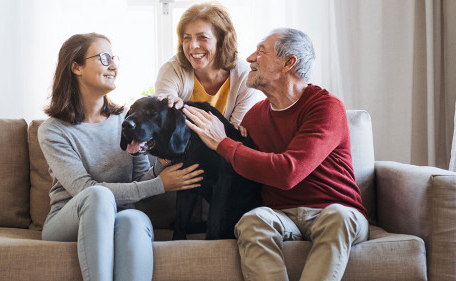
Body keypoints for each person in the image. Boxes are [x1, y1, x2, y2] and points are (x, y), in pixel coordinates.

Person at [183, 27, 369, 281]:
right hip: (282, 216)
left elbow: (288, 172)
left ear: (288, 62)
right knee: (253, 221)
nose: (249, 58)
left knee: (338, 217)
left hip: (334, 211)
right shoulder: (254, 116)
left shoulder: (325, 107)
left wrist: (224, 143)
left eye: (261, 51)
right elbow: (239, 166)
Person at [38, 32, 203, 281]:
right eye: (104, 58)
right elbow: (85, 190)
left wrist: (161, 165)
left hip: (123, 211)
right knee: (97, 195)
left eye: (114, 58)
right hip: (68, 219)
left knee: (133, 219)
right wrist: (159, 185)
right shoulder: (53, 130)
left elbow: (139, 179)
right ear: (76, 67)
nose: (114, 66)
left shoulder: (126, 120)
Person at [155, 1, 261, 126]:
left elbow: (236, 134)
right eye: (187, 38)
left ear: (221, 40)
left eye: (202, 37)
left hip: (224, 145)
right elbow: (167, 125)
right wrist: (170, 103)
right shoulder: (171, 69)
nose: (193, 46)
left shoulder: (244, 75)